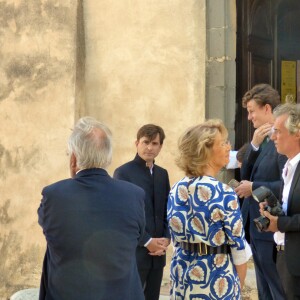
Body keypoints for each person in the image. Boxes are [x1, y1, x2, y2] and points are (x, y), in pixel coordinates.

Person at [38, 117, 146, 300]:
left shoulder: (53, 195)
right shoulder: (134, 195)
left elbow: (50, 230)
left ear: (73, 157)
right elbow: (138, 235)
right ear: (108, 157)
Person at [168, 119, 252, 299]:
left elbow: (175, 239)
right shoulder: (224, 193)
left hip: (181, 274)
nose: (229, 147)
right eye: (223, 143)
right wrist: (238, 286)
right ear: (205, 151)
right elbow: (238, 248)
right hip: (216, 276)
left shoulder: (175, 189)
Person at [235, 83, 287, 300]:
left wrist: (254, 187)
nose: (249, 117)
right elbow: (245, 175)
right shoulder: (260, 140)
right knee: (264, 290)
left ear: (267, 109)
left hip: (271, 227)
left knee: (277, 289)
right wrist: (254, 146)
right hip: (255, 227)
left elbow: (287, 184)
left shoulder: (283, 140)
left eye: (251, 111)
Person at [113, 124, 170, 300]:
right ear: (136, 143)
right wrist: (147, 241)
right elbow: (121, 215)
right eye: (145, 142)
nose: (149, 147)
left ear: (160, 146)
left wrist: (167, 238)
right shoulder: (123, 173)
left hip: (158, 255)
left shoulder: (162, 174)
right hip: (134, 254)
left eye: (154, 143)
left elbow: (167, 209)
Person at [259, 103, 300, 299]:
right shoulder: (289, 166)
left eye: (278, 132)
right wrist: (272, 210)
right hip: (284, 257)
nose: (273, 137)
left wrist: (280, 223)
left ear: (297, 133)